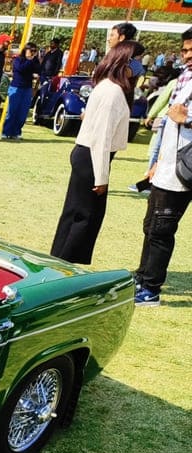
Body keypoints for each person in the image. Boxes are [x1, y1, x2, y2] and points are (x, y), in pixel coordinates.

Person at [49, 42, 139, 265]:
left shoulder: (107, 87)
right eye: (137, 60)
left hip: (89, 154)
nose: (140, 66)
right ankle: (65, 264)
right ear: (125, 61)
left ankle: (60, 261)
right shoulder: (113, 92)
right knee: (84, 216)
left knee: (77, 213)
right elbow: (102, 138)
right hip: (93, 155)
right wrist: (102, 177)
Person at [133, 28, 192, 306]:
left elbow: (182, 118)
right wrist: (157, 161)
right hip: (167, 166)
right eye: (184, 50)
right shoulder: (183, 79)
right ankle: (142, 277)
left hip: (183, 171)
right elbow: (171, 124)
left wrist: (188, 118)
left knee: (162, 229)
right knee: (151, 225)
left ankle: (151, 289)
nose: (187, 56)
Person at [1, 42, 39, 140]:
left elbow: (39, 69)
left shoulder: (34, 61)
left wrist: (34, 60)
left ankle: (16, 132)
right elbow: (21, 69)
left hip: (27, 88)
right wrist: (29, 60)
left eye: (35, 51)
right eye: (31, 50)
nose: (33, 53)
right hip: (16, 87)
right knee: (12, 111)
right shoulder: (18, 60)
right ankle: (6, 132)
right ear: (26, 50)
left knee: (23, 112)